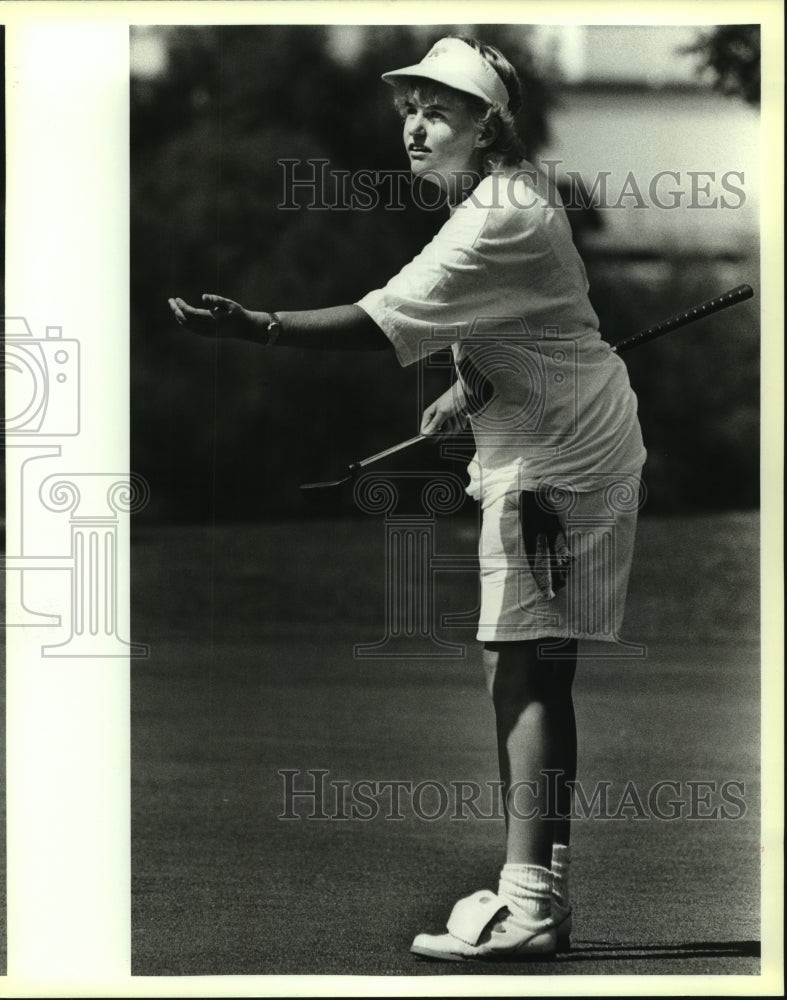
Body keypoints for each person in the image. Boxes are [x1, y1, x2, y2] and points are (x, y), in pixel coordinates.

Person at [169, 34, 646, 962]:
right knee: (530, 666)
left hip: (558, 461)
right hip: (558, 437)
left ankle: (530, 904)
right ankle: (536, 888)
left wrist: (256, 327)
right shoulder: (513, 196)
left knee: (524, 667)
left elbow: (376, 317)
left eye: (440, 110)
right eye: (411, 109)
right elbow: (550, 318)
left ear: (487, 123)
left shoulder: (492, 218)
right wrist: (472, 386)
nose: (417, 126)